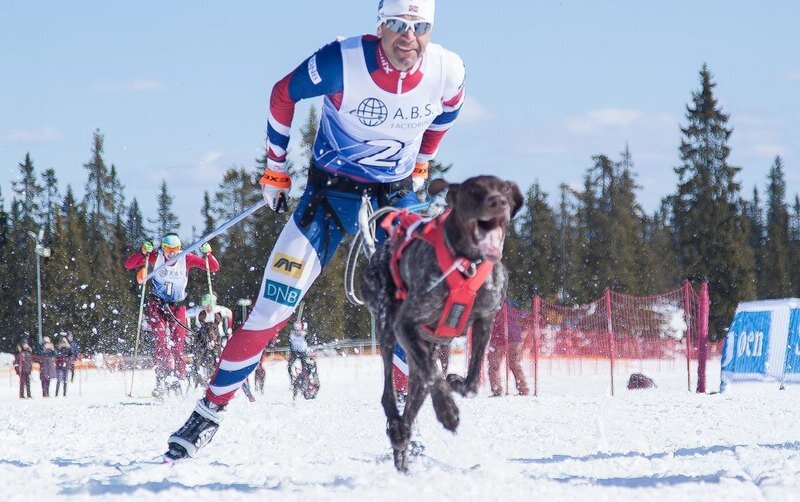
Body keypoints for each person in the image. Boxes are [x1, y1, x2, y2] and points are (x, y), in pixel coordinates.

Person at [166, 0, 465, 459]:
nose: (409, 37)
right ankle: (207, 413)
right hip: (330, 194)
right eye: (397, 24)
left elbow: (448, 112)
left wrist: (423, 160)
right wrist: (275, 167)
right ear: (380, 26)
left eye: (419, 26)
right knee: (271, 308)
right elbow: (282, 94)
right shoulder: (343, 60)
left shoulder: (447, 69)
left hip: (395, 196)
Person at [124, 234, 220, 398]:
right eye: (168, 250)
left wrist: (208, 254)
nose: (171, 254)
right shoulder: (156, 256)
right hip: (158, 306)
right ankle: (161, 379)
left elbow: (212, 267)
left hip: (178, 307)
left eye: (174, 250)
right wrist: (142, 252)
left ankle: (178, 379)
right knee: (161, 342)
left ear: (179, 248)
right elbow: (129, 264)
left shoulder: (186, 258)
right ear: (163, 248)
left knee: (178, 345)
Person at [190, 293, 233, 386]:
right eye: (206, 304)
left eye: (210, 304)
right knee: (198, 352)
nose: (208, 306)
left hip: (218, 338)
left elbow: (229, 313)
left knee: (219, 355)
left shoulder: (219, 309)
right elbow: (186, 314)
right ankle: (197, 371)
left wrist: (229, 329)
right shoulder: (198, 310)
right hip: (201, 338)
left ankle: (220, 371)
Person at [487, 304, 529, 397]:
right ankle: (523, 389)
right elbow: (524, 321)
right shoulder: (511, 308)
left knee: (493, 366)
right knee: (515, 364)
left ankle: (496, 389)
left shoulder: (491, 308)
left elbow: (489, 325)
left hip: (498, 339)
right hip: (514, 338)